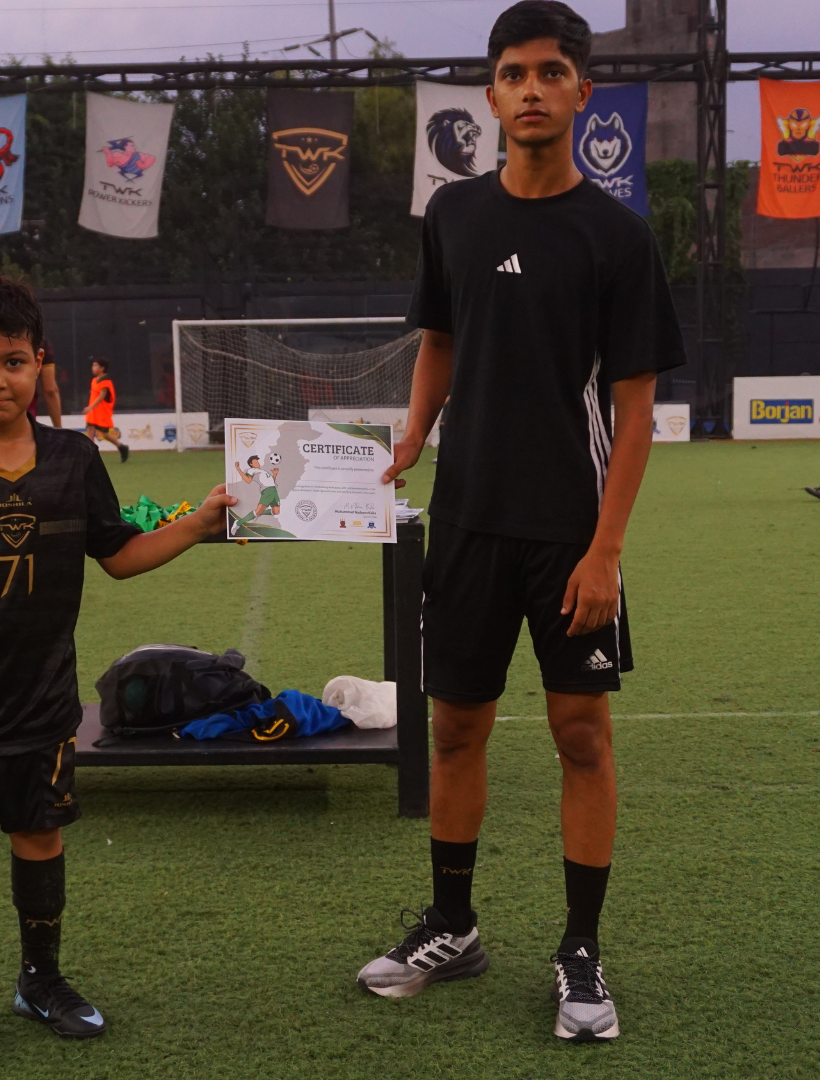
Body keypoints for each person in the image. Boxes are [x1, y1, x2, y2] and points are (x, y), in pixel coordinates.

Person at [356, 1, 686, 1044]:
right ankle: (453, 926)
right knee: (455, 728)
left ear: (583, 91)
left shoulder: (618, 236)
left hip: (569, 532)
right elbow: (440, 341)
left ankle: (580, 950)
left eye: (550, 71)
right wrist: (415, 431)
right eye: (512, 73)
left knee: (581, 735)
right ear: (491, 95)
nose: (531, 88)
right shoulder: (454, 214)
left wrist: (606, 551)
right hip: (465, 523)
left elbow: (636, 410)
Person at [0, 269, 234, 1072]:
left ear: (39, 362)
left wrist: (197, 526)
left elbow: (119, 555)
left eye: (12, 361)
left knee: (39, 839)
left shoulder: (74, 458)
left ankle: (40, 981)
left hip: (43, 702)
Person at [84, 358, 129, 463]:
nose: (93, 368)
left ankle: (122, 447)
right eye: (93, 366)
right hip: (93, 411)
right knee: (90, 431)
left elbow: (102, 396)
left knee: (104, 434)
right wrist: (90, 408)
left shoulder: (106, 381)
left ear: (102, 368)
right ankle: (91, 457)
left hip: (102, 412)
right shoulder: (94, 380)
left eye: (95, 366)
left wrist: (90, 407)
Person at [234, 454, 281, 522]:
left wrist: (274, 474)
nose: (257, 463)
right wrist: (238, 469)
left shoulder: (262, 471)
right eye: (255, 462)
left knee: (276, 511)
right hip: (267, 491)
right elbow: (248, 480)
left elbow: (271, 482)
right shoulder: (251, 470)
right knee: (258, 511)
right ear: (251, 463)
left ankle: (258, 514)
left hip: (274, 490)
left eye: (257, 461)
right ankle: (238, 522)